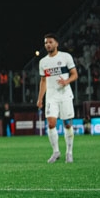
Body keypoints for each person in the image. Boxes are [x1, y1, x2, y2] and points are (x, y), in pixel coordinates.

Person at [36, 33, 77, 163]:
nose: (48, 44)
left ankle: (69, 153)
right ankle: (56, 152)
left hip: (65, 95)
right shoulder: (43, 62)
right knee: (51, 124)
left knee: (67, 124)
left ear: (56, 43)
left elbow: (74, 74)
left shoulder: (66, 57)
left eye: (50, 42)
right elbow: (43, 81)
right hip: (51, 96)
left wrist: (66, 81)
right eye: (46, 43)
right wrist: (40, 98)